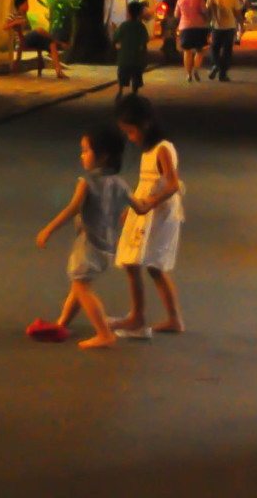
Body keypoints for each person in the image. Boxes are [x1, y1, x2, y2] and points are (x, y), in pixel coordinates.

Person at [33, 125, 148, 349]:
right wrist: (158, 198)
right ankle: (62, 323)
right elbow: (141, 207)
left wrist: (49, 229)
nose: (82, 155)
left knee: (83, 288)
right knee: (79, 286)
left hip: (88, 245)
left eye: (86, 150)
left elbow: (72, 209)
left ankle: (104, 333)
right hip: (107, 247)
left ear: (102, 156)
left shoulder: (86, 183)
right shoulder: (121, 184)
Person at [111, 94, 185, 338]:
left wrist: (148, 204)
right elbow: (147, 183)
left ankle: (137, 318)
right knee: (149, 266)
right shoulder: (150, 149)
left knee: (139, 263)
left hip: (160, 213)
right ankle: (170, 319)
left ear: (145, 124)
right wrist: (131, 210)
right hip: (147, 210)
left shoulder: (162, 148)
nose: (131, 139)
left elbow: (173, 185)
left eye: (131, 132)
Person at [4, 0, 67, 79]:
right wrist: (16, 22)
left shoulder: (25, 15)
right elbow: (5, 27)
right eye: (26, 4)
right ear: (20, 5)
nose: (28, 6)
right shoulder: (13, 15)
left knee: (51, 44)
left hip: (31, 39)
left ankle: (59, 71)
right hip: (23, 40)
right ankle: (59, 42)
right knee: (39, 30)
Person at [207, 0, 242, 81]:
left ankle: (216, 64)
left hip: (216, 26)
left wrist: (208, 23)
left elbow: (208, 10)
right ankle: (222, 74)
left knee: (214, 49)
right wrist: (241, 24)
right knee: (227, 52)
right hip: (229, 27)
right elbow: (237, 13)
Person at [174, 0, 209, 83]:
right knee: (199, 50)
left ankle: (188, 74)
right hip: (198, 27)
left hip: (185, 27)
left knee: (187, 51)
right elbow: (204, 11)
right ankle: (196, 69)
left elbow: (176, 14)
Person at [113, 0, 148, 101]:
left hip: (124, 57)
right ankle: (134, 93)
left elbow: (116, 36)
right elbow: (145, 39)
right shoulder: (141, 26)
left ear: (128, 12)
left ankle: (120, 91)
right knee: (136, 76)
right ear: (140, 13)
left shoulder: (124, 25)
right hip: (137, 58)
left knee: (122, 75)